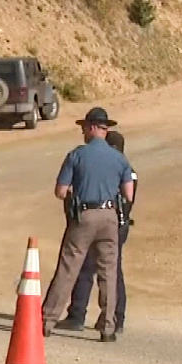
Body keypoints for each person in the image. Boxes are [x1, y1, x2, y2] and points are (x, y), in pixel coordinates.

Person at [41, 107, 134, 342]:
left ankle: (47, 320)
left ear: (92, 127)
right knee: (108, 271)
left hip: (85, 215)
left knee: (69, 266)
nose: (83, 131)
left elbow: (60, 192)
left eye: (84, 127)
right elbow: (128, 195)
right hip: (110, 216)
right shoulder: (120, 159)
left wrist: (76, 191)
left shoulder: (77, 155)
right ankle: (108, 327)